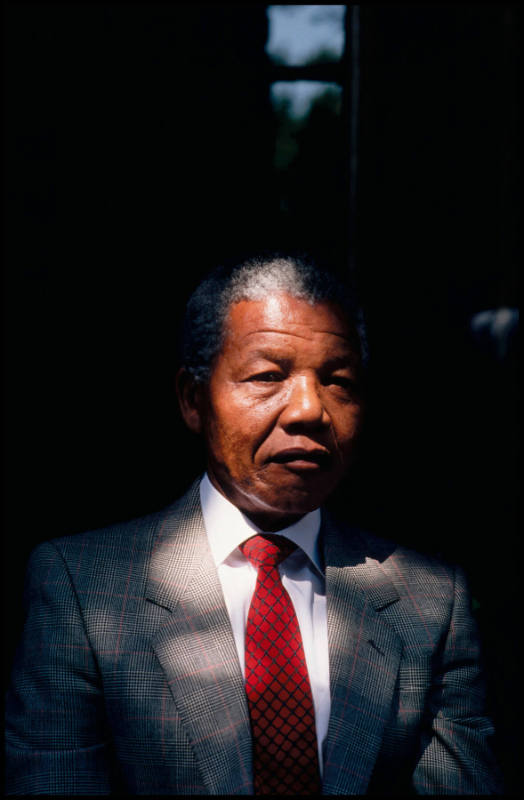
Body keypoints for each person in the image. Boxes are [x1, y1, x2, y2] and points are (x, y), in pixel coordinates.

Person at [5, 253, 502, 795]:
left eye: (339, 381)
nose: (309, 409)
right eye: (269, 375)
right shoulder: (82, 590)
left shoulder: (430, 603)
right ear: (194, 400)